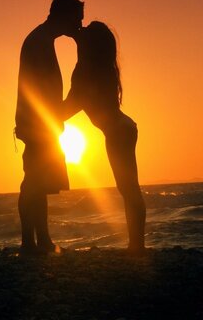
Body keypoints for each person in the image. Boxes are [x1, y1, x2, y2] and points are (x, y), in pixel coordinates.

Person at [63, 21, 146, 254]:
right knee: (130, 189)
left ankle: (137, 246)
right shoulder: (102, 68)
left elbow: (69, 107)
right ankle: (137, 245)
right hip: (123, 128)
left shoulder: (84, 72)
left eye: (85, 33)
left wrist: (40, 113)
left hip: (118, 132)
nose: (81, 32)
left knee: (128, 189)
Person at [15, 0, 84, 254]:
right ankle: (28, 243)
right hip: (37, 123)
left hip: (41, 122)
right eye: (76, 19)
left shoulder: (42, 39)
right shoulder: (39, 42)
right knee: (33, 181)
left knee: (39, 182)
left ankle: (41, 240)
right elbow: (38, 89)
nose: (79, 25)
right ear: (63, 16)